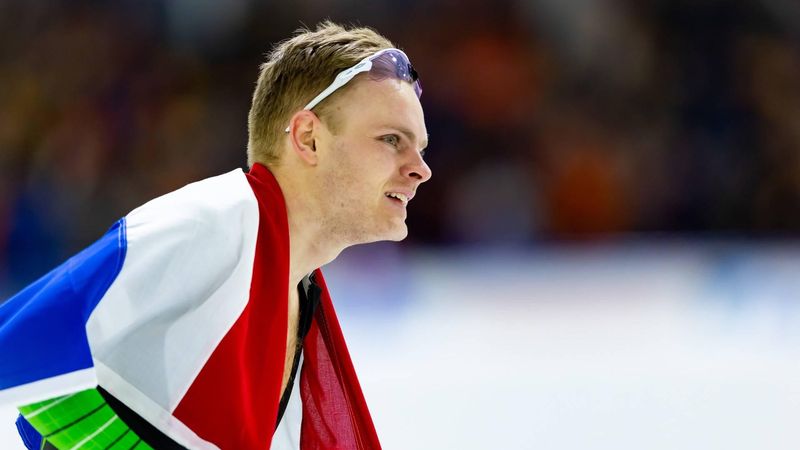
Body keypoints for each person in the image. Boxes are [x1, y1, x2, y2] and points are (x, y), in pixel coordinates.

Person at [0, 21, 431, 450]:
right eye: (391, 139)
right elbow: (21, 343)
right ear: (308, 138)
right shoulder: (212, 223)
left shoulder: (295, 289)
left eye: (421, 148)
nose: (420, 169)